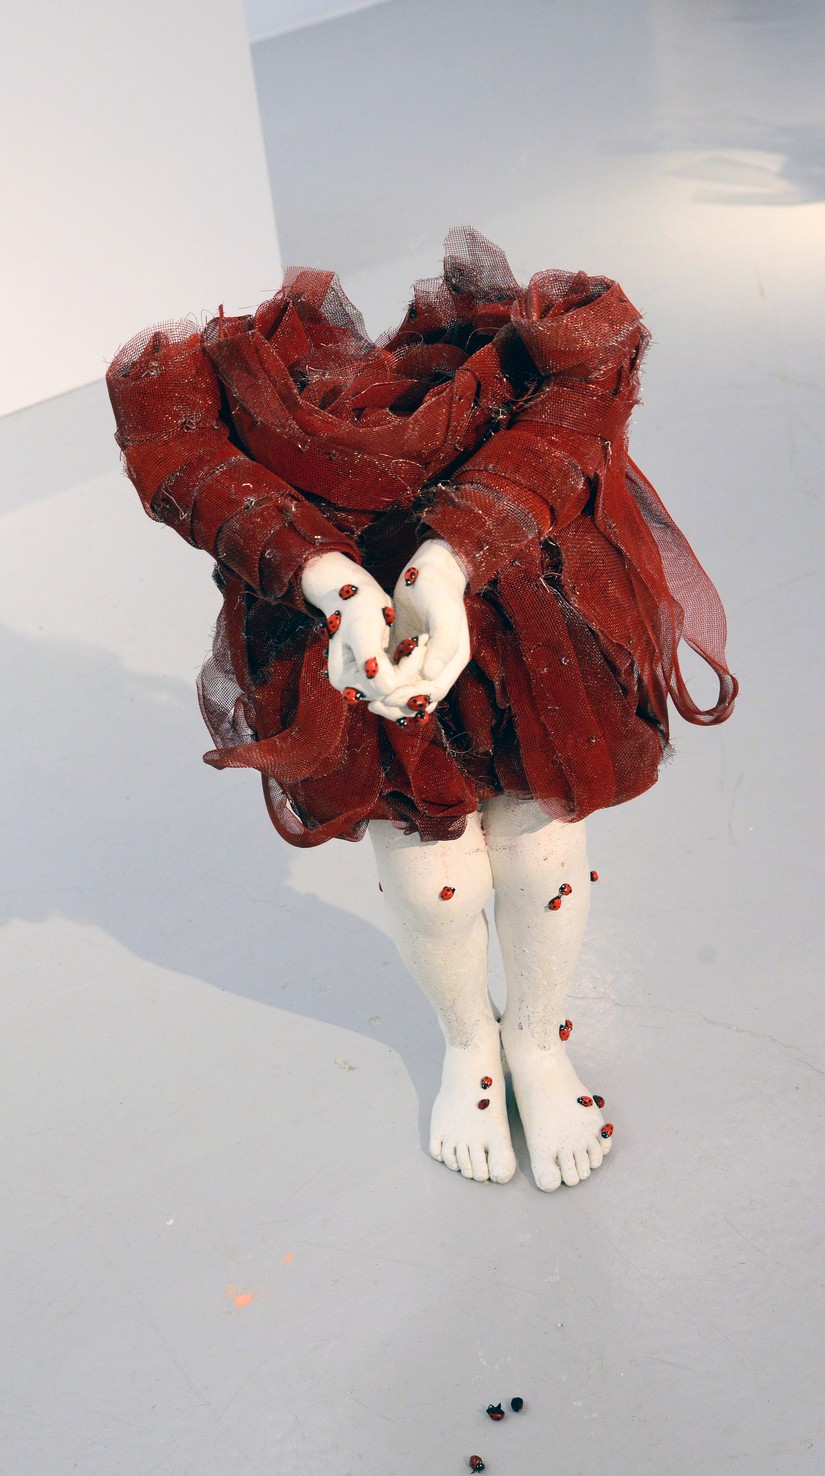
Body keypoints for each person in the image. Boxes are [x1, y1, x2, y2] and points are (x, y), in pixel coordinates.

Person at [106, 226, 737, 1190]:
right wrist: (336, 587)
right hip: (351, 645)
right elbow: (184, 458)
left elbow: (576, 408)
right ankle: (468, 1042)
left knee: (540, 850)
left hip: (523, 626)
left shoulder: (544, 369)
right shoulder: (217, 414)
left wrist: (445, 561)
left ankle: (535, 1038)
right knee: (433, 884)